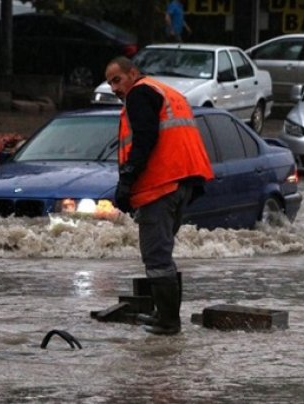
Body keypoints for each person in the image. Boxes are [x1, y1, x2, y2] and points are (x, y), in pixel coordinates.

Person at [104, 56, 213, 335]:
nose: (114, 87)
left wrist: (127, 180)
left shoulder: (139, 93)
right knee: (163, 254)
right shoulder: (168, 93)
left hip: (161, 185)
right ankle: (165, 316)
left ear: (133, 73)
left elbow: (145, 138)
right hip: (183, 183)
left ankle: (167, 321)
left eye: (117, 79)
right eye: (109, 83)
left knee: (156, 256)